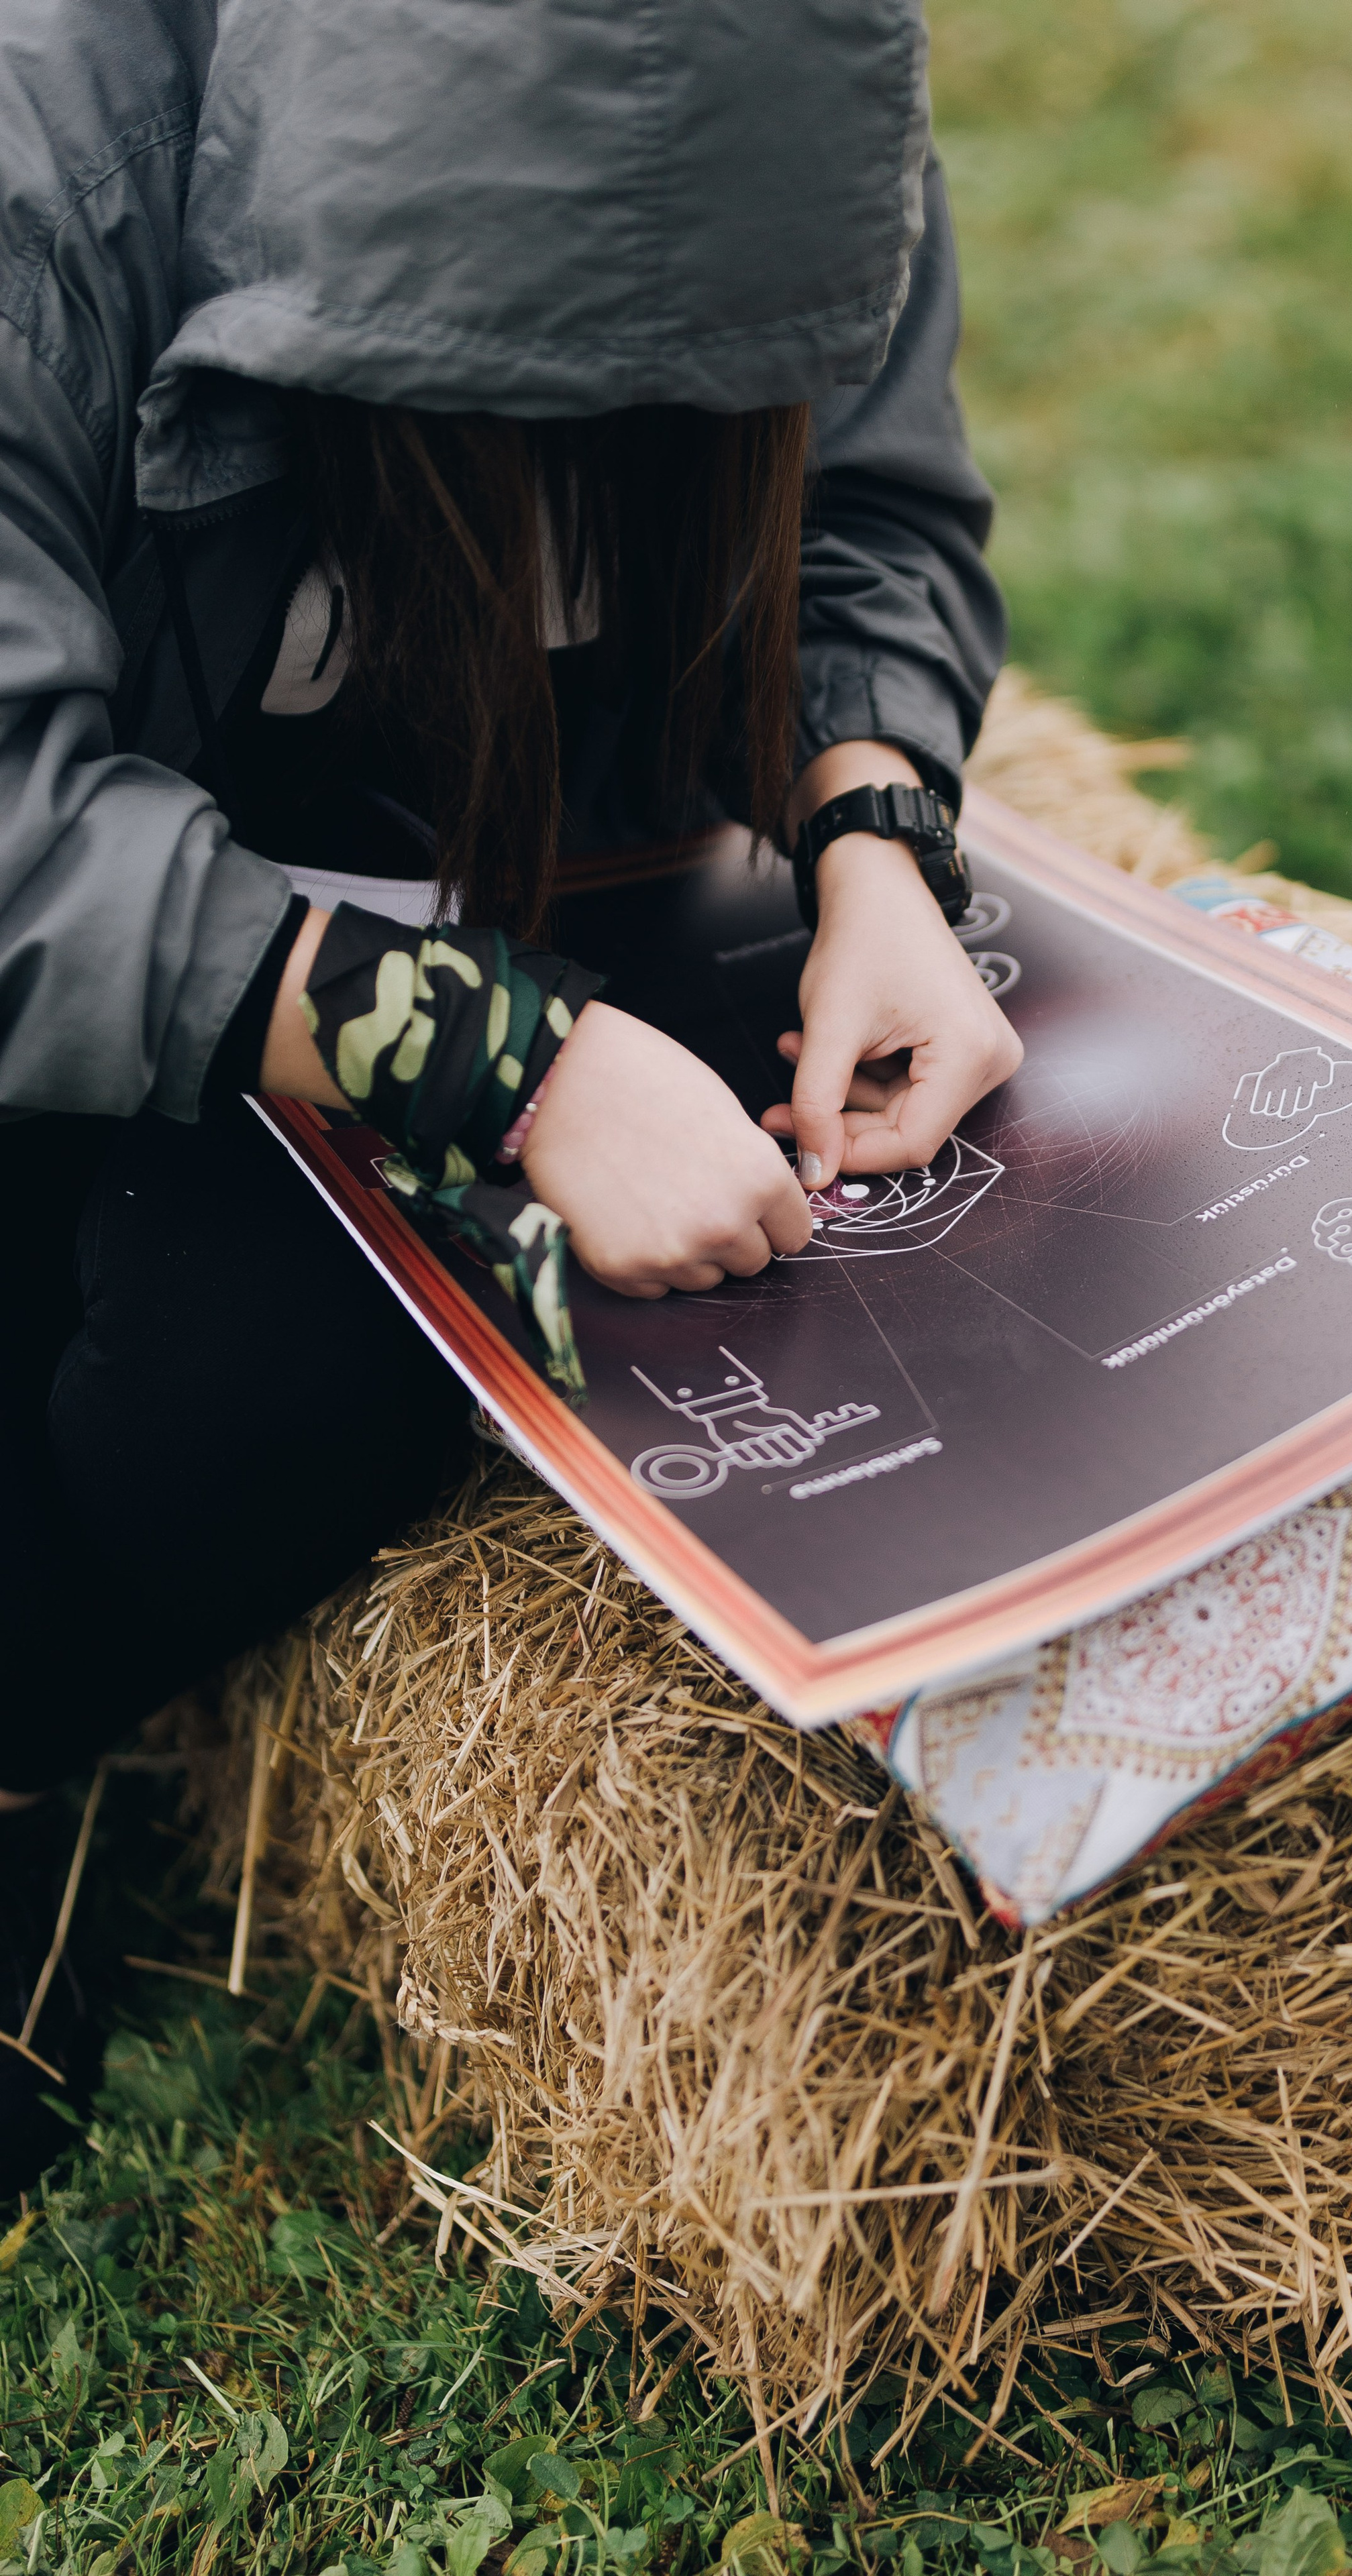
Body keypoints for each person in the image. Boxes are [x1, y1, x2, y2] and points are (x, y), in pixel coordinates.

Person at [0, 0, 1019, 2114]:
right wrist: (508, 1066)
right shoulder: (48, 162)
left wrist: (876, 836)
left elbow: (874, 508)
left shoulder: (790, 102)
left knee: (339, 1367)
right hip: (117, 878)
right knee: (211, 1385)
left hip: (534, 857)